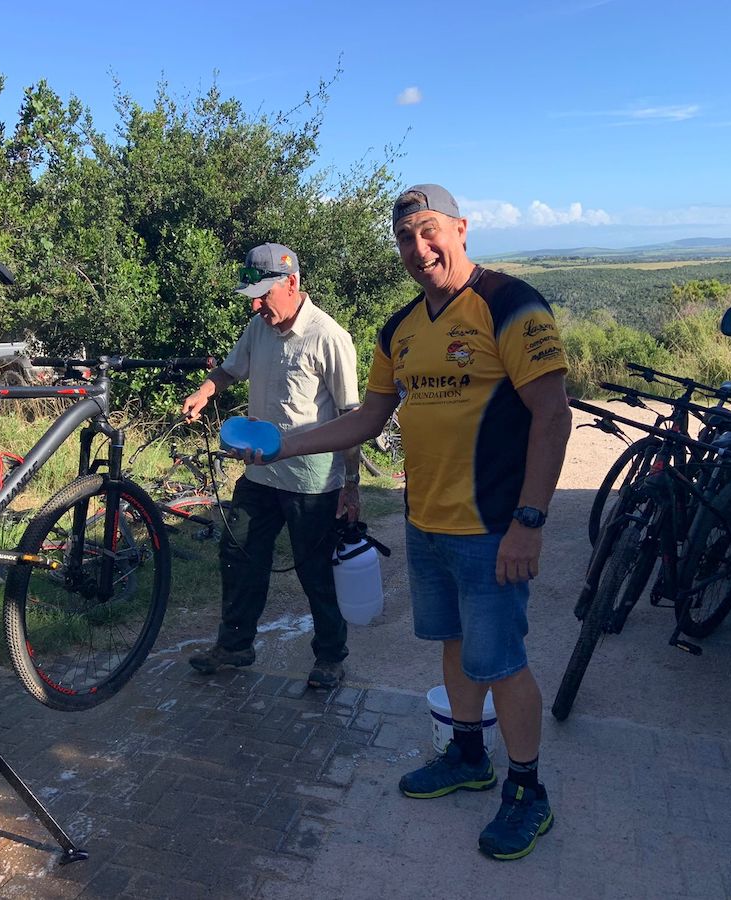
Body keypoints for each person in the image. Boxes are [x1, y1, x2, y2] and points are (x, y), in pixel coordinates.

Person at [234, 185, 571, 860]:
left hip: (493, 525)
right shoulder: (401, 328)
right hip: (428, 521)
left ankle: (528, 791)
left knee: (502, 659)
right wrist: (282, 441)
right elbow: (366, 417)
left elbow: (552, 414)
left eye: (428, 232)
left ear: (460, 229)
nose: (419, 250)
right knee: (452, 642)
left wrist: (529, 520)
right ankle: (469, 756)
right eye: (405, 240)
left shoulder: (510, 304)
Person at [182, 242, 362, 690]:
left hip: (312, 481)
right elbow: (228, 371)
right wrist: (206, 391)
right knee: (237, 554)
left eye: (263, 294)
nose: (257, 304)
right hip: (259, 473)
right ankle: (235, 646)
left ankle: (330, 656)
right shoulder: (258, 327)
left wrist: (352, 484)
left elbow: (352, 417)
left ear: (293, 283)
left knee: (314, 569)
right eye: (252, 296)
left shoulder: (329, 337)